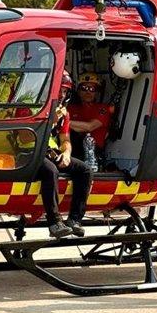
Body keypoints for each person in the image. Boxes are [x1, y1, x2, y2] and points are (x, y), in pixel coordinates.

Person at [36, 70, 94, 238]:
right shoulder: (35, 109)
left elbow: (65, 139)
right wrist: (50, 121)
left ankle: (74, 219)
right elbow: (25, 137)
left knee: (85, 170)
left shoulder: (64, 113)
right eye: (58, 89)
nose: (61, 94)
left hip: (51, 152)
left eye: (64, 90)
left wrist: (66, 154)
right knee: (50, 171)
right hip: (29, 152)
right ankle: (54, 223)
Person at [68, 72, 114, 161]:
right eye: (84, 88)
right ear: (78, 91)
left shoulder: (103, 109)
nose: (88, 92)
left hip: (93, 152)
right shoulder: (71, 108)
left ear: (97, 92)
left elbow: (90, 127)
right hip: (71, 149)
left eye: (92, 89)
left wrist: (63, 121)